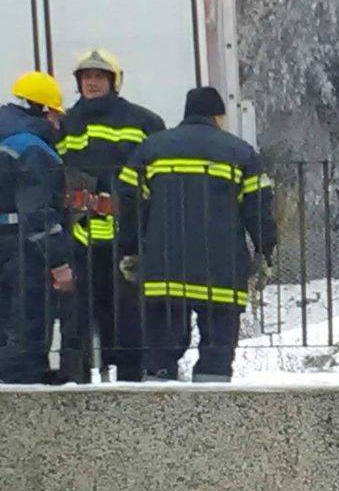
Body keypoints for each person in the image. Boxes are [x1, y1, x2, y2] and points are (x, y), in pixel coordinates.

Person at [117, 87, 276, 382]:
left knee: (161, 353)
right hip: (221, 272)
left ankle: (159, 408)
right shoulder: (240, 153)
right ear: (218, 116)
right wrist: (265, 252)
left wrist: (130, 251)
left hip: (164, 270)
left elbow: (129, 207)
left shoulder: (150, 150)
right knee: (216, 354)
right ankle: (211, 415)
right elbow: (259, 209)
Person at [57, 49, 165, 382]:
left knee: (127, 312)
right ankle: (77, 379)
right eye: (86, 77)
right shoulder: (66, 122)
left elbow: (156, 176)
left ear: (113, 81)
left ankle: (132, 377)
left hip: (126, 235)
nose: (91, 82)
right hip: (79, 236)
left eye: (99, 76)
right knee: (77, 314)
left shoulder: (143, 121)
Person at [0, 72, 73, 383]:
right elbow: (38, 213)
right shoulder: (35, 148)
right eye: (56, 114)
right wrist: (59, 261)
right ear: (44, 111)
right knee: (27, 328)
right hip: (23, 248)